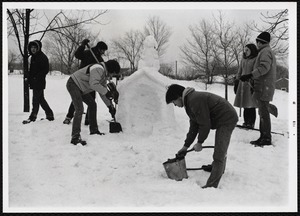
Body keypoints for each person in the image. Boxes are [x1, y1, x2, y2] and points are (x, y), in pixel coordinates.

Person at [165, 84, 238, 189]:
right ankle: (217, 168)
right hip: (222, 117)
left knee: (219, 152)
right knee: (220, 148)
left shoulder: (194, 100)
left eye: (173, 102)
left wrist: (200, 142)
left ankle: (212, 185)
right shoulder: (189, 102)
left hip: (227, 118)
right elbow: (194, 127)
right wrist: (185, 146)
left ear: (179, 97)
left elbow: (205, 124)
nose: (175, 105)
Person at [66, 60, 120, 145]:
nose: (112, 76)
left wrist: (110, 106)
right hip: (74, 84)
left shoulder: (103, 76)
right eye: (113, 74)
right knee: (79, 109)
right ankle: (75, 137)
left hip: (81, 88)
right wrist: (106, 92)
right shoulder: (98, 69)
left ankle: (94, 130)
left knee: (92, 104)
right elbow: (93, 84)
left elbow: (102, 92)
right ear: (110, 70)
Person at [240, 32, 277, 147]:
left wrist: (251, 75)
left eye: (258, 42)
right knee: (262, 112)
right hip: (263, 86)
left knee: (264, 113)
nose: (257, 44)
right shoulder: (264, 52)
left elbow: (264, 68)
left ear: (261, 42)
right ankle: (263, 136)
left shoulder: (265, 52)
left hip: (264, 87)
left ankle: (266, 138)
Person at [63, 39, 108, 125]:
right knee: (76, 99)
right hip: (81, 80)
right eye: (103, 50)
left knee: (92, 101)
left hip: (92, 82)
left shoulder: (99, 59)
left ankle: (88, 119)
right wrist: (82, 45)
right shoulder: (88, 53)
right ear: (99, 48)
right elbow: (77, 55)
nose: (103, 52)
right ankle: (69, 116)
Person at [22, 40, 54, 124]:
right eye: (32, 47)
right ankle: (50, 114)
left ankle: (32, 117)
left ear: (38, 48)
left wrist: (36, 77)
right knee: (41, 99)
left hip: (39, 82)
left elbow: (45, 70)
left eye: (35, 47)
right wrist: (29, 77)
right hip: (34, 81)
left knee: (35, 99)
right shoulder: (33, 57)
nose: (33, 49)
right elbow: (32, 70)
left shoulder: (42, 57)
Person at [233, 44, 258, 129]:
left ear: (252, 50)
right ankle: (246, 122)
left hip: (250, 84)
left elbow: (255, 72)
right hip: (242, 84)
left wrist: (251, 79)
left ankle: (251, 123)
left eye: (247, 50)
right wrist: (237, 81)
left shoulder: (255, 59)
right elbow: (239, 71)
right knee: (244, 104)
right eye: (245, 50)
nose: (245, 51)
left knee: (251, 105)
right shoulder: (243, 59)